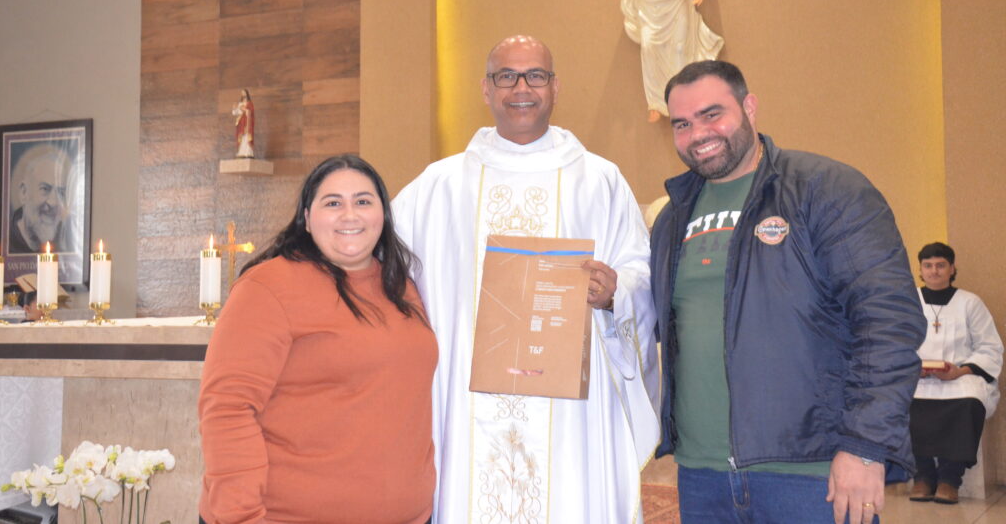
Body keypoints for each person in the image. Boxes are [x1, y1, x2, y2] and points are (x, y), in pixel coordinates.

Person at [393, 35, 660, 523]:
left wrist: (614, 290)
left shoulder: (599, 181)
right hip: (468, 400)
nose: (521, 88)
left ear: (555, 88)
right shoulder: (439, 186)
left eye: (535, 76)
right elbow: (381, 265)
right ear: (486, 89)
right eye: (506, 76)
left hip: (571, 413)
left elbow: (641, 270)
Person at [650, 60, 926, 524]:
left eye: (712, 114)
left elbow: (888, 321)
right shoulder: (672, 217)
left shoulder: (824, 189)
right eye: (682, 123)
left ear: (750, 107)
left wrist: (865, 445)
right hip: (702, 474)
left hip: (811, 472)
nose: (698, 133)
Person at [198, 154, 437, 524]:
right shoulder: (268, 287)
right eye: (332, 203)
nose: (349, 215)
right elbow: (228, 409)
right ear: (307, 218)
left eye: (363, 201)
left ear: (383, 216)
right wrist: (241, 516)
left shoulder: (401, 286)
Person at [908, 242, 1003, 505]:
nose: (934, 271)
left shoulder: (970, 303)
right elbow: (896, 342)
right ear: (920, 270)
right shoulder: (908, 302)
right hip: (918, 377)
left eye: (940, 265)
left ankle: (950, 479)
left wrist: (959, 371)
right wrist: (915, 367)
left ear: (952, 269)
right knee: (900, 400)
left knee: (969, 402)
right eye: (928, 265)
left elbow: (990, 347)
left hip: (959, 377)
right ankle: (923, 476)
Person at [8, 145, 74, 253]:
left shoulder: (67, 242)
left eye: (61, 193)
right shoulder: (7, 239)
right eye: (45, 189)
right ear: (24, 192)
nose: (53, 202)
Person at [232, 88, 255, 158]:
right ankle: (241, 152)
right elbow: (235, 113)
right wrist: (234, 108)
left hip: (247, 122)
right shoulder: (240, 104)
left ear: (246, 94)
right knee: (241, 136)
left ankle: (248, 152)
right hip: (241, 122)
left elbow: (250, 112)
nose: (243, 94)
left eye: (244, 93)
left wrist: (245, 110)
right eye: (242, 93)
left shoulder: (249, 103)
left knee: (247, 136)